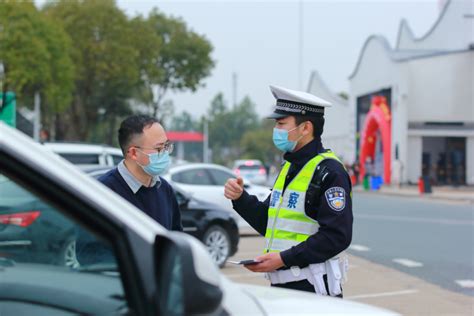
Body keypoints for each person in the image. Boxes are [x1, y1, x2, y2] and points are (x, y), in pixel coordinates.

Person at [224, 85, 353, 297]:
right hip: (283, 289)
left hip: (313, 290)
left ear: (305, 128)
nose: (277, 130)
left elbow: (337, 236)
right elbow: (271, 223)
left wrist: (283, 258)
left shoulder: (330, 172)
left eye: (282, 123)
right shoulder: (288, 168)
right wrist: (240, 198)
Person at [99, 115, 182, 231]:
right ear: (134, 153)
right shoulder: (103, 192)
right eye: (159, 149)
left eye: (166, 146)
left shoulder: (165, 189)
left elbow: (175, 238)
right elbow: (91, 247)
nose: (165, 153)